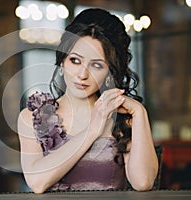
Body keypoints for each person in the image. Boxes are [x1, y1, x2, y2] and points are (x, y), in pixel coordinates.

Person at [17, 8, 158, 193]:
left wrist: (140, 112)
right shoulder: (33, 117)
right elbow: (37, 182)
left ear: (109, 72)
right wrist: (92, 130)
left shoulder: (125, 120)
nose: (82, 74)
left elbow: (143, 182)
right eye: (75, 61)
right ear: (62, 62)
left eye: (97, 65)